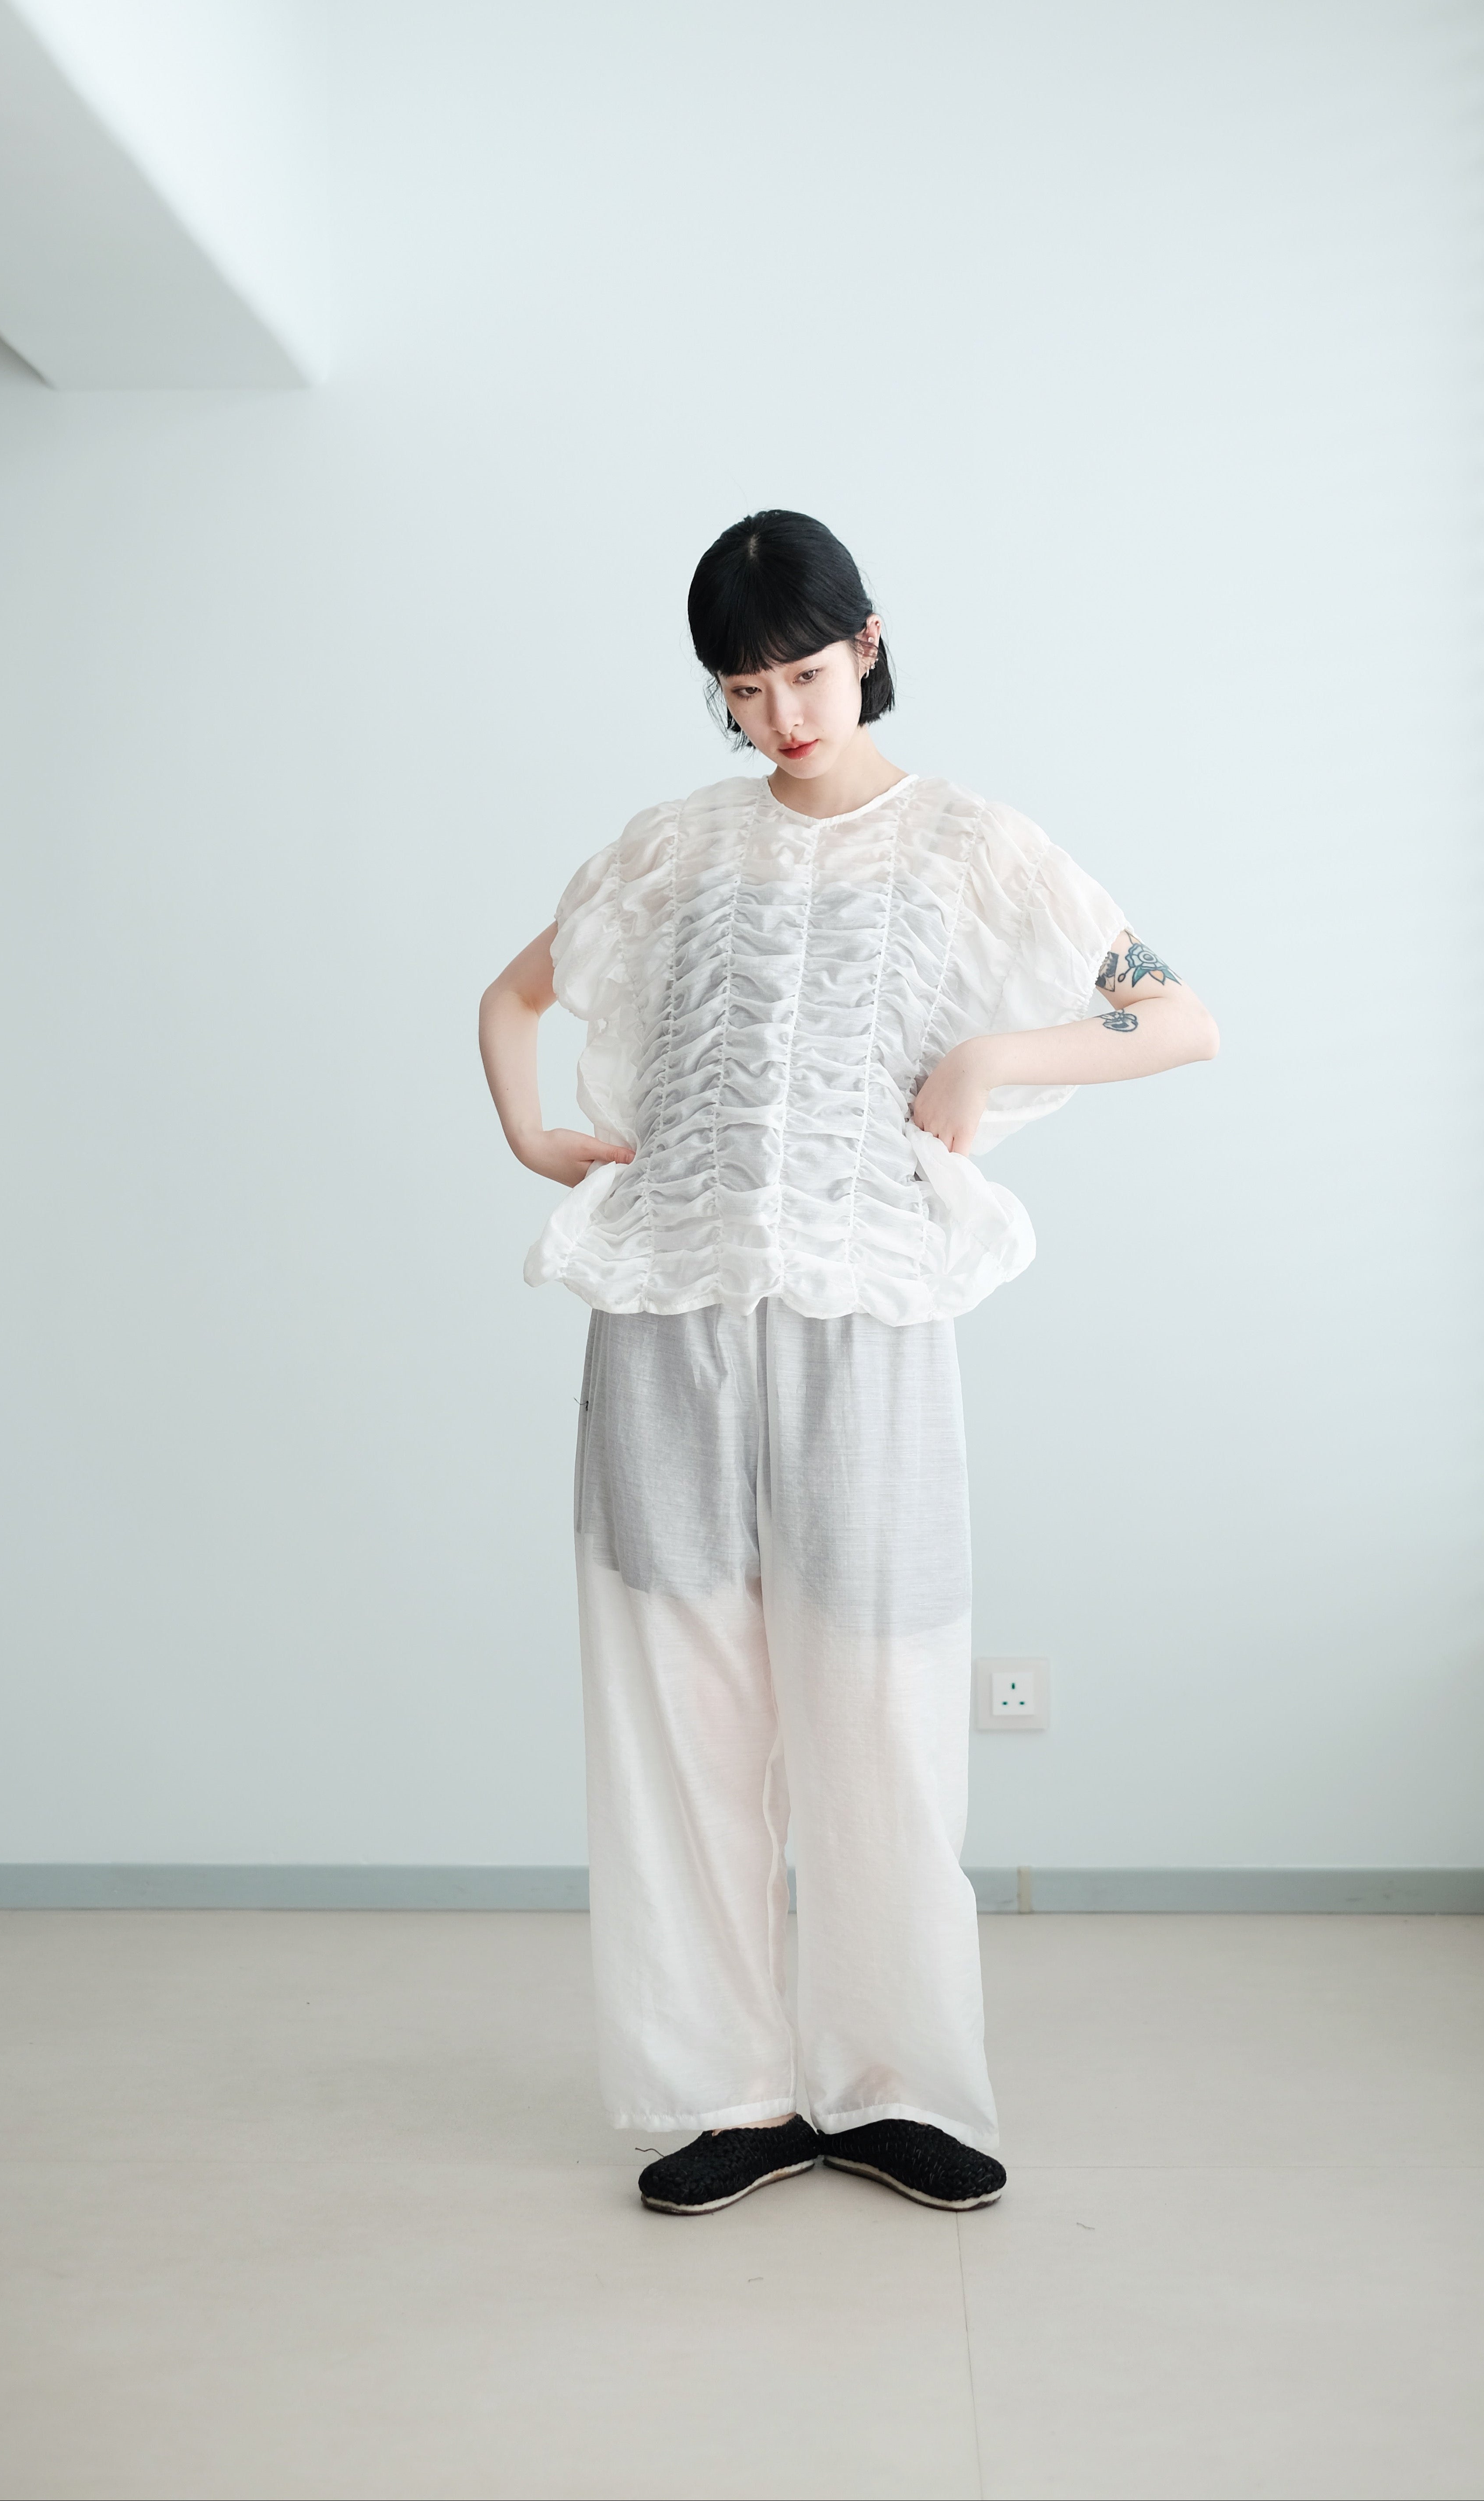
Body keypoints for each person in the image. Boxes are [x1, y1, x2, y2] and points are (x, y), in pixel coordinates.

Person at [478, 510, 1218, 2218]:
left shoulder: (972, 844)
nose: (782, 718)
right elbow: (511, 1001)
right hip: (666, 1315)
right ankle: (729, 2094)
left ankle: (889, 2088)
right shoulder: (676, 847)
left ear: (867, 644)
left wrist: (994, 1058)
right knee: (678, 1713)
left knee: (878, 1707)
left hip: (868, 1318)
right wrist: (534, 1136)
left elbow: (1178, 1017)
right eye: (743, 691)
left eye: (804, 674)